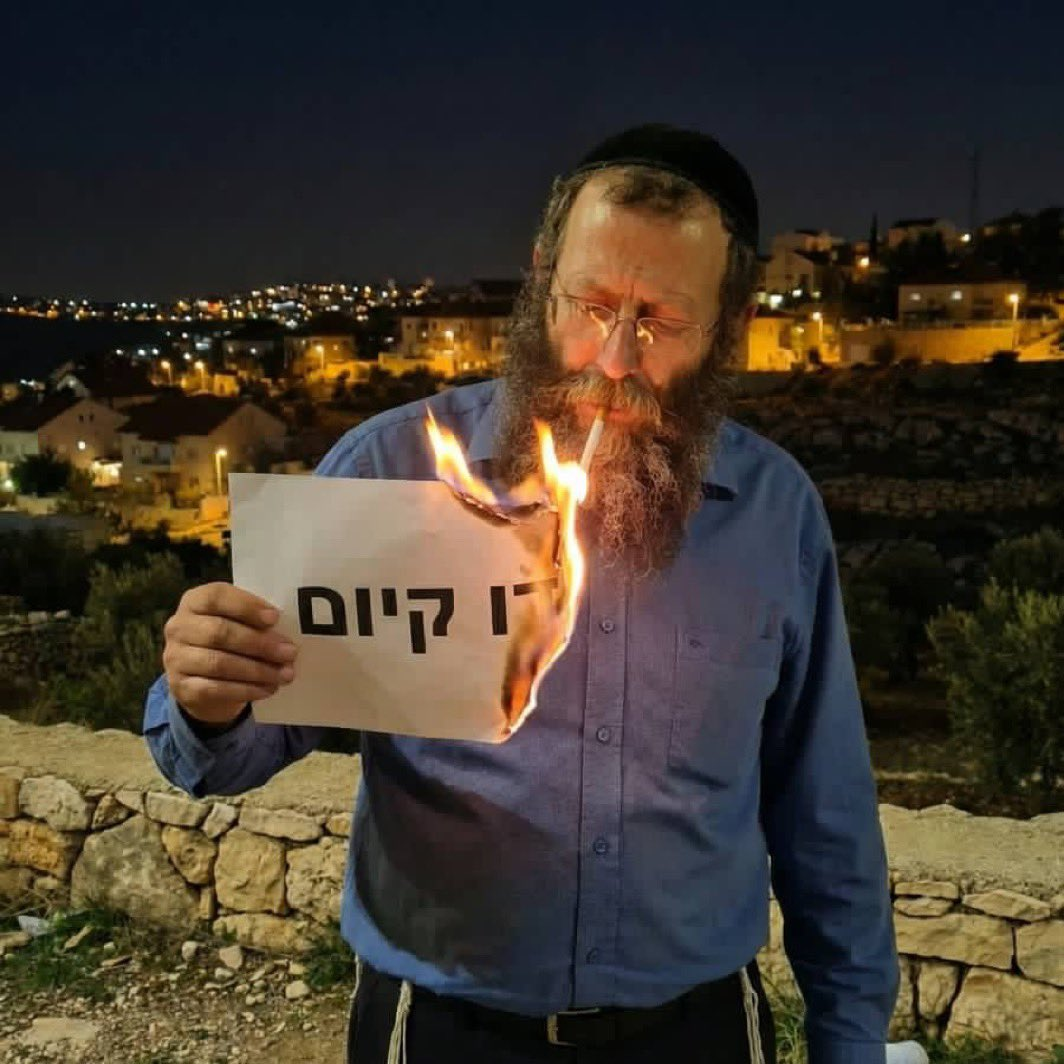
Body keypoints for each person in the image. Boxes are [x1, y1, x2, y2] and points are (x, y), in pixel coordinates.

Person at [145, 124, 898, 1064]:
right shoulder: (389, 470)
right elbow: (228, 757)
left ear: (730, 325)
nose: (613, 358)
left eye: (661, 320)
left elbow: (825, 817)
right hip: (442, 1029)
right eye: (591, 303)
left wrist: (850, 1039)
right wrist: (210, 697)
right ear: (542, 278)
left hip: (697, 1031)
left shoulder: (775, 513)